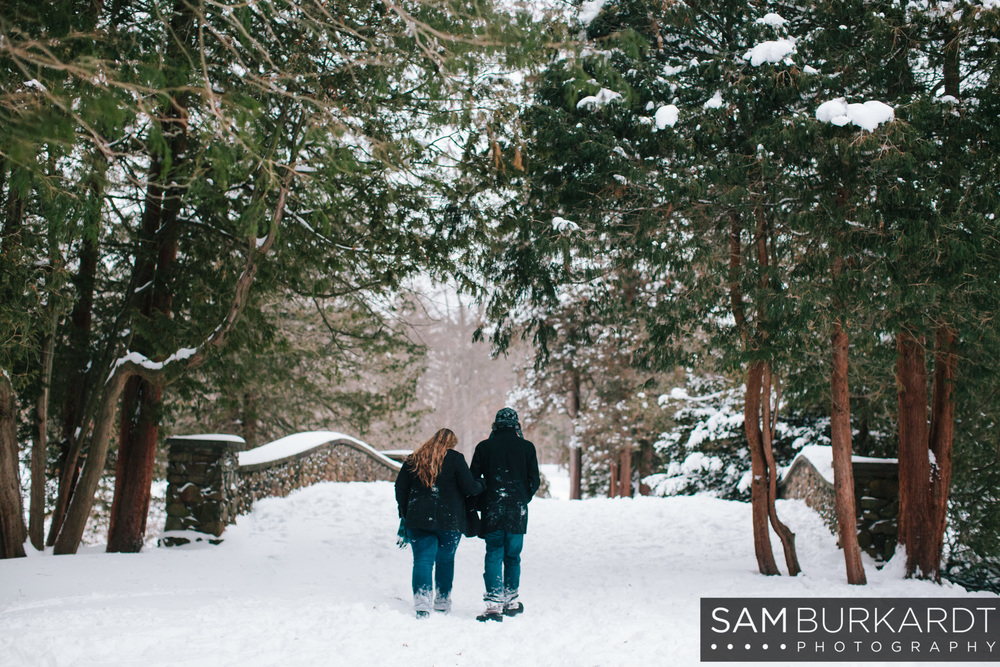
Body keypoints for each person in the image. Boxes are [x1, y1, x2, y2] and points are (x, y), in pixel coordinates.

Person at [395, 428, 483, 618]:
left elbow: (400, 488)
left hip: (418, 519)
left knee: (422, 560)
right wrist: (482, 484)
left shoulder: (415, 459)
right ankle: (442, 603)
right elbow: (469, 487)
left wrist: (405, 511)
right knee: (445, 561)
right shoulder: (456, 459)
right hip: (449, 520)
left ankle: (422, 603)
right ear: (451, 443)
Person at [470, 408, 540, 622]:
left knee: (493, 553)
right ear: (515, 424)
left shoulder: (484, 447)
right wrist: (522, 497)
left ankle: (493, 605)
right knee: (513, 556)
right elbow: (534, 481)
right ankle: (511, 601)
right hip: (517, 511)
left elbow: (473, 479)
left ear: (496, 424)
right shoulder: (527, 447)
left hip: (493, 508)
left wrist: (483, 500)